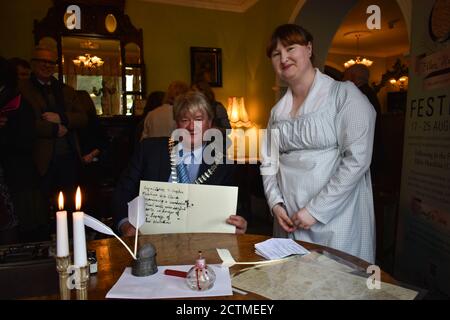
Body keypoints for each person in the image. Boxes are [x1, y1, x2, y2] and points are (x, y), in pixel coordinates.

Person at [261, 24, 376, 263]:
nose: (283, 58)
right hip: (289, 219)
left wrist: (315, 210)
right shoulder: (276, 112)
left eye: (290, 48)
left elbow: (357, 160)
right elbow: (268, 162)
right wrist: (276, 204)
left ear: (309, 49)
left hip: (336, 217)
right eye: (275, 54)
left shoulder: (344, 95)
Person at [113, 91, 247, 236]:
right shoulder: (149, 150)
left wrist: (240, 225)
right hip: (151, 239)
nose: (191, 127)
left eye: (198, 119)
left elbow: (234, 211)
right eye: (185, 120)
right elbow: (122, 191)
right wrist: (125, 224)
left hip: (202, 244)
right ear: (177, 124)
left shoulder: (223, 164)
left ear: (209, 123)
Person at [19, 46, 88, 214]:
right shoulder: (22, 90)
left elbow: (83, 118)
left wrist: (62, 119)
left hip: (68, 157)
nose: (47, 65)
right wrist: (53, 129)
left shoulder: (66, 90)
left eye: (51, 62)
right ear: (33, 64)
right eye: (42, 61)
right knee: (39, 205)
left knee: (71, 204)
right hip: (38, 158)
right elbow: (22, 123)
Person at [343, 64, 383, 178]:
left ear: (352, 78)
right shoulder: (369, 93)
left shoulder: (358, 96)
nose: (342, 81)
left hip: (362, 152)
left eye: (344, 77)